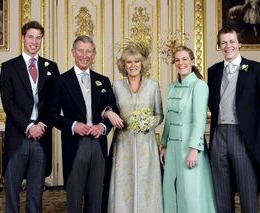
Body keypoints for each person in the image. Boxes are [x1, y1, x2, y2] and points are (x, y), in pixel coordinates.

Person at [49, 35, 118, 213]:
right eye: (80, 50)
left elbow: (112, 110)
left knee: (96, 198)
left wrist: (102, 127)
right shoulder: (61, 81)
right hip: (75, 145)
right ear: (73, 52)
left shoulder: (103, 81)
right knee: (74, 199)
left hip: (98, 144)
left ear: (94, 54)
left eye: (89, 51)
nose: (84, 55)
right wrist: (73, 125)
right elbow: (52, 115)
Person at [0, 20, 60, 213]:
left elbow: (54, 103)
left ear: (42, 39)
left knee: (35, 194)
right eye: (30, 37)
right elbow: (9, 104)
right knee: (12, 191)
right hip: (18, 137)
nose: (34, 41)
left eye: (38, 37)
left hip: (41, 137)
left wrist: (41, 125)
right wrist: (28, 126)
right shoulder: (9, 66)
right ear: (23, 38)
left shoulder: (51, 67)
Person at [104, 40, 164, 213]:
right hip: (123, 143)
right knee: (124, 183)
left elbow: (159, 114)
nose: (133, 65)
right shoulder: (116, 86)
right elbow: (108, 109)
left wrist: (148, 123)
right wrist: (108, 112)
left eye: (136, 61)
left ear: (142, 64)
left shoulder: (153, 86)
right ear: (123, 65)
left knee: (147, 182)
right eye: (129, 62)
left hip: (147, 144)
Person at [208, 25, 260, 213]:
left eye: (231, 41)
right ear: (219, 46)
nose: (228, 45)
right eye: (223, 42)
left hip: (243, 136)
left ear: (239, 44)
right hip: (218, 136)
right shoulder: (212, 71)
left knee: (248, 193)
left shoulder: (254, 69)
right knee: (221, 193)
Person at [160, 46, 216, 213]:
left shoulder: (199, 86)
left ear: (192, 61)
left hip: (189, 148)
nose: (181, 63)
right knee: (171, 189)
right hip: (172, 148)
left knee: (191, 193)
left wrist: (194, 150)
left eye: (184, 59)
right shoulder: (172, 87)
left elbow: (200, 121)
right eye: (177, 60)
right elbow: (169, 118)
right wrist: (163, 144)